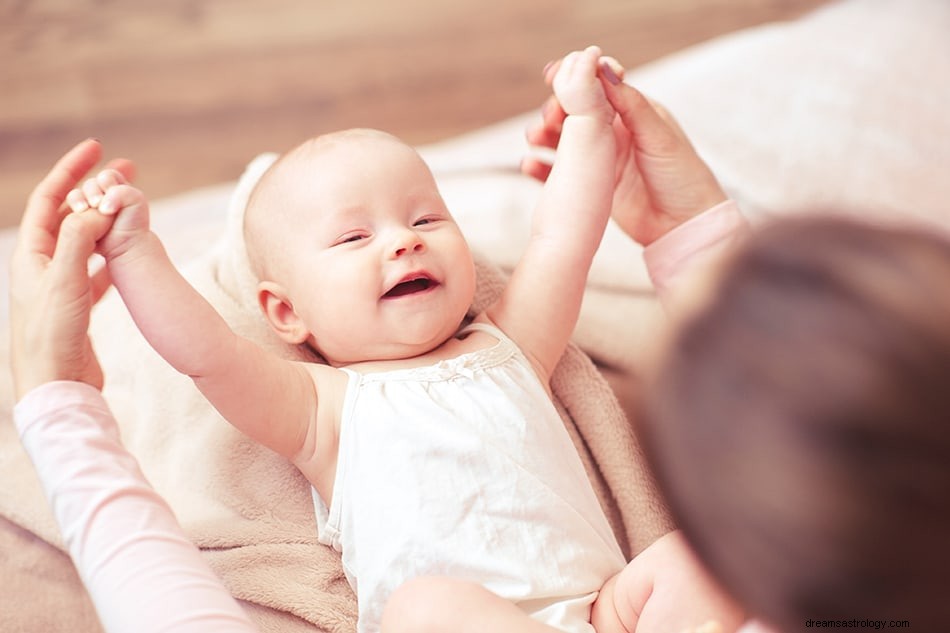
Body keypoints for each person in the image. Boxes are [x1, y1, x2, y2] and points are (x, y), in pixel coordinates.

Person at [58, 46, 741, 633]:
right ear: (287, 313)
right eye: (356, 237)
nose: (404, 239)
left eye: (425, 217)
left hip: (598, 610)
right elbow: (205, 352)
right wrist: (134, 250)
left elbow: (564, 236)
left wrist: (590, 119)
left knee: (696, 556)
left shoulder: (512, 345)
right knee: (425, 607)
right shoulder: (320, 408)